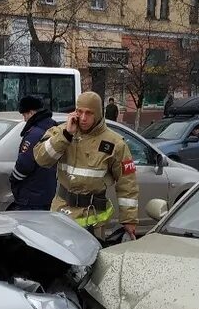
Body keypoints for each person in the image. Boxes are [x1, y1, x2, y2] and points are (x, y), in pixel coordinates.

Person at [32, 90, 139, 242]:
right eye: (79, 112)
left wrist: (129, 219)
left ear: (98, 114)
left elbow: (127, 183)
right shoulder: (62, 132)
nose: (83, 118)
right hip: (62, 213)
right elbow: (41, 159)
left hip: (93, 218)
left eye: (89, 113)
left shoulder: (115, 143)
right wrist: (66, 135)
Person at [10, 95, 58, 210]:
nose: (24, 119)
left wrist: (13, 179)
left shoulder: (34, 134)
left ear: (31, 113)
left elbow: (25, 163)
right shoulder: (53, 129)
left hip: (31, 195)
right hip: (47, 192)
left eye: (24, 115)